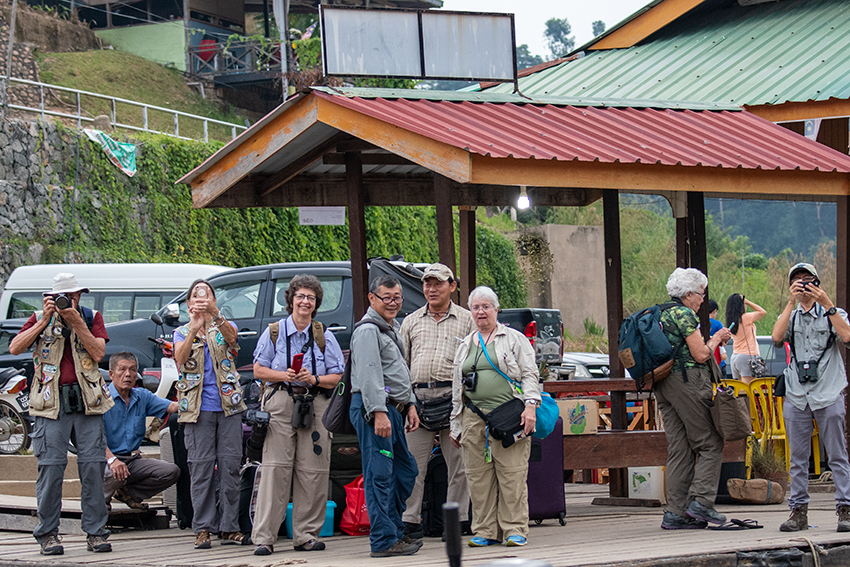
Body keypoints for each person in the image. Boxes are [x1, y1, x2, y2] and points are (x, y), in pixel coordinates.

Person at [10, 273, 114, 555]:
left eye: (75, 295)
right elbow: (15, 347)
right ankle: (47, 535)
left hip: (88, 401)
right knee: (51, 469)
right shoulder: (38, 316)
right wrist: (44, 321)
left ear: (82, 294)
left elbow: (98, 353)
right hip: (50, 402)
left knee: (93, 468)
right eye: (64, 296)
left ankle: (96, 533)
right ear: (51, 297)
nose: (71, 300)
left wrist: (77, 321)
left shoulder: (91, 317)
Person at [250, 275, 344, 555]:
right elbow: (258, 370)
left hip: (314, 405)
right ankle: (264, 537)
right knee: (275, 469)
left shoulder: (323, 335)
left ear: (316, 304)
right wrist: (284, 375)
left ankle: (306, 535)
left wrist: (314, 378)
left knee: (313, 471)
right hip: (280, 402)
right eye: (300, 296)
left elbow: (338, 376)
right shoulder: (274, 331)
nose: (305, 302)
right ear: (291, 299)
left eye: (311, 298)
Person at [449, 286, 540, 548]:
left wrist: (530, 406)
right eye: (476, 307)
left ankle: (514, 529)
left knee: (511, 473)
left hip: (510, 415)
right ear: (470, 311)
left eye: (486, 306)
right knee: (477, 476)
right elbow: (458, 388)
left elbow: (530, 374)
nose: (481, 311)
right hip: (473, 416)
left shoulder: (513, 338)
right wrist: (456, 424)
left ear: (496, 310)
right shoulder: (465, 344)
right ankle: (485, 530)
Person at [770, 262, 850, 532]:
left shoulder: (833, 313)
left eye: (807, 280)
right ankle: (798, 513)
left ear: (817, 282)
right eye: (797, 281)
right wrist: (790, 302)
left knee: (837, 455)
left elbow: (848, 337)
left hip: (828, 391)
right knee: (798, 458)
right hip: (796, 394)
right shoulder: (791, 315)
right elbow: (777, 337)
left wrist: (826, 301)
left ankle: (845, 510)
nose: (803, 285)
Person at [173, 279, 249, 549]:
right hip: (196, 411)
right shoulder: (181, 332)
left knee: (230, 468)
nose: (201, 299)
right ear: (188, 303)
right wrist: (194, 327)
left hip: (229, 407)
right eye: (196, 295)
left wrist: (215, 315)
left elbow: (233, 340)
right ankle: (203, 527)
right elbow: (179, 359)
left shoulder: (223, 325)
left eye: (206, 294)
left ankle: (229, 528)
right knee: (201, 469)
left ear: (215, 300)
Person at [400, 263, 474, 540]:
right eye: (427, 284)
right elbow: (401, 364)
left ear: (452, 286)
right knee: (412, 465)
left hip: (454, 400)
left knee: (459, 465)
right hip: (418, 400)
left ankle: (459, 519)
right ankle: (410, 520)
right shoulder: (410, 321)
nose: (431, 289)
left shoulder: (467, 320)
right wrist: (406, 402)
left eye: (438, 283)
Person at [349, 275, 422, 558]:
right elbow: (369, 375)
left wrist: (411, 404)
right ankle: (382, 540)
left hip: (395, 409)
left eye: (397, 297)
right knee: (379, 475)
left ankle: (393, 532)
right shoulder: (368, 331)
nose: (392, 303)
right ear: (371, 298)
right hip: (374, 411)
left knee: (405, 471)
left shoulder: (392, 328)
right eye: (386, 297)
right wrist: (379, 412)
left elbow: (398, 373)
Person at [656, 268, 732, 530]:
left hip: (663, 385)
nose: (702, 299)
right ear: (688, 294)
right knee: (710, 443)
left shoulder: (660, 313)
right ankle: (701, 503)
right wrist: (717, 338)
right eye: (700, 294)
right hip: (688, 382)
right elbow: (700, 354)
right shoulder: (683, 314)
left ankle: (675, 513)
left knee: (680, 449)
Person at [102, 352, 180, 510]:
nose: (128, 374)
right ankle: (99, 503)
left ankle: (128, 493)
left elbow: (172, 407)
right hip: (104, 460)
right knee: (114, 473)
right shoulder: (101, 399)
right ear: (111, 374)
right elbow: (92, 439)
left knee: (171, 471)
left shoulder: (142, 396)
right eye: (122, 369)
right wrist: (112, 460)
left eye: (132, 370)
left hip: (131, 461)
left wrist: (198, 397)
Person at [726, 293, 767, 384]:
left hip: (735, 356)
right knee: (749, 389)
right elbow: (762, 312)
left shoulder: (731, 320)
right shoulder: (745, 318)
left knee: (740, 389)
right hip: (747, 356)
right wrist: (747, 301)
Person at [707, 299, 727, 373]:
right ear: (714, 311)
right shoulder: (717, 324)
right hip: (718, 363)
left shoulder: (699, 322)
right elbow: (724, 342)